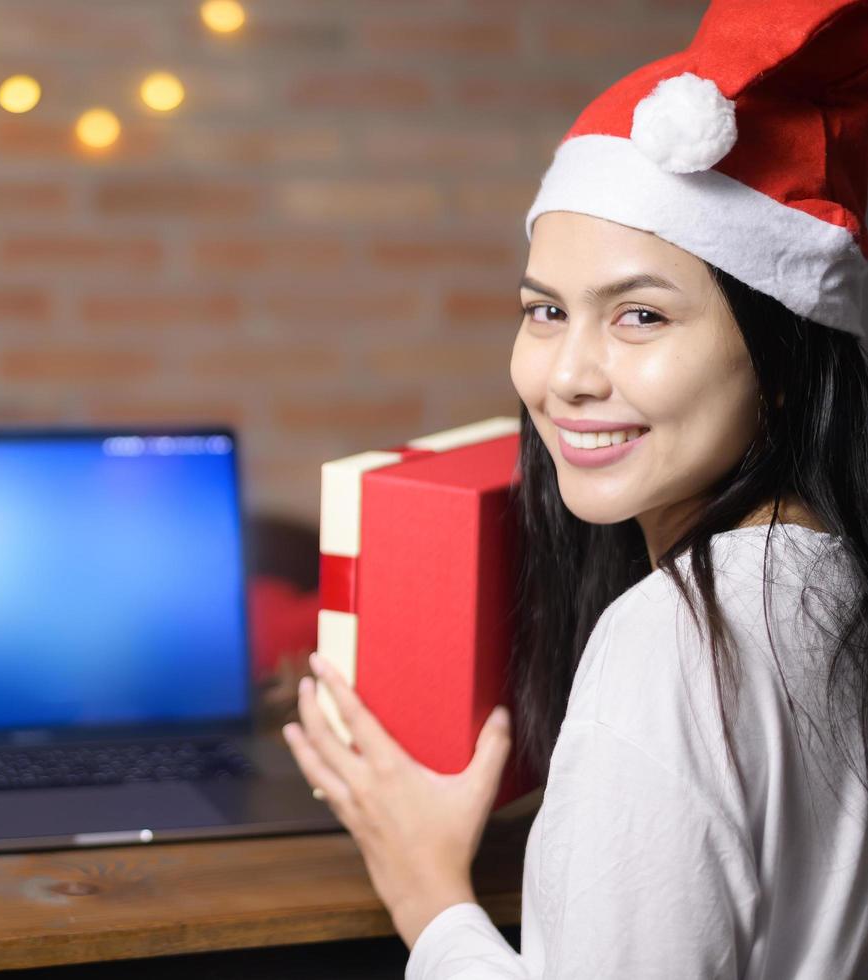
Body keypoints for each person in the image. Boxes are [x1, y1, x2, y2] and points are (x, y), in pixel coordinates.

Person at [280, 1, 868, 976]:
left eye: (640, 314)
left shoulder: (674, 640)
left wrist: (428, 891)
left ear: (780, 359)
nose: (566, 376)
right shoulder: (829, 578)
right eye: (546, 309)